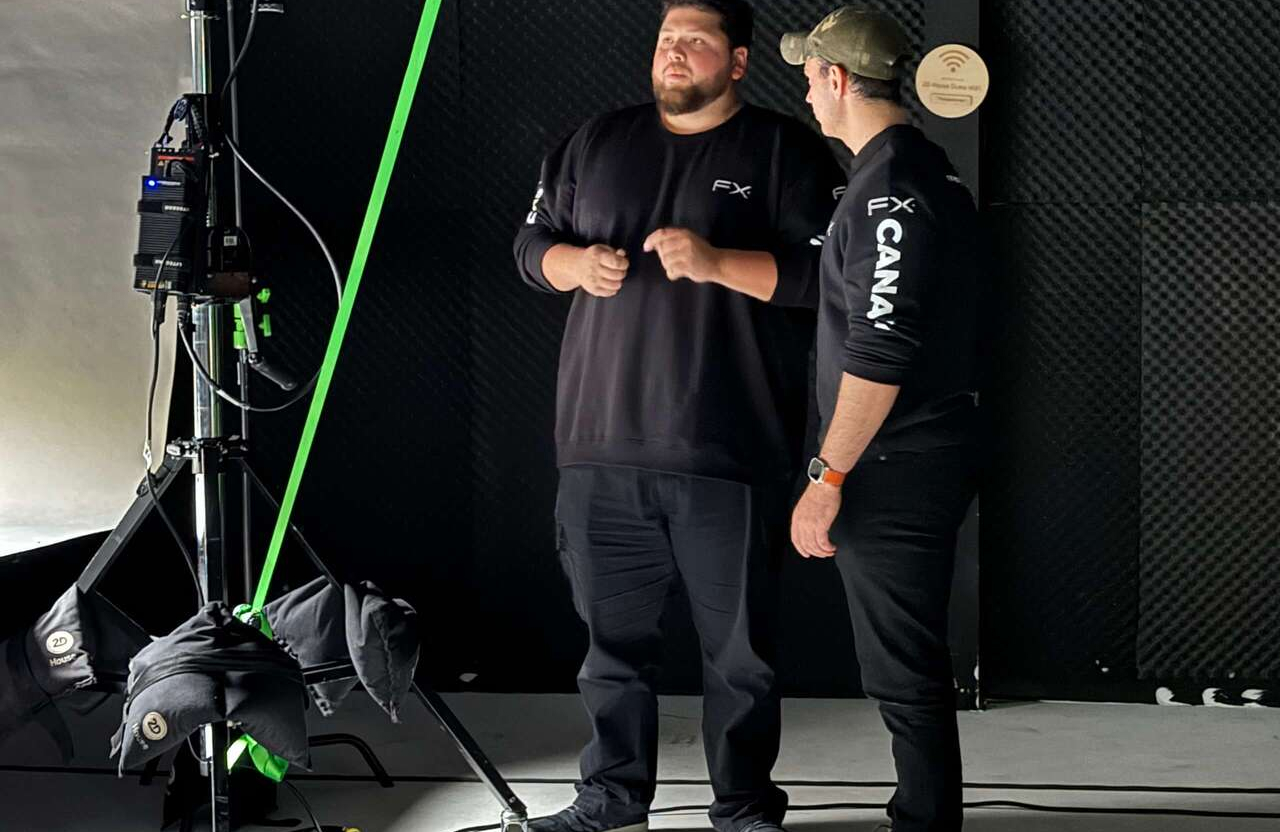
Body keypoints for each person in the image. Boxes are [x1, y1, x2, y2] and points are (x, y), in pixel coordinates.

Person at [512, 2, 844, 830]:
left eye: (695, 42)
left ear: (736, 62)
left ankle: (742, 809)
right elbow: (529, 247)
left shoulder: (782, 151)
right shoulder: (596, 141)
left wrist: (718, 262)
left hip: (729, 454)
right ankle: (611, 800)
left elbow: (828, 281)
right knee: (612, 655)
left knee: (739, 660)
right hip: (599, 449)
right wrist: (571, 263)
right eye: (666, 40)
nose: (674, 54)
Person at [782, 7, 984, 832]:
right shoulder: (910, 173)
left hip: (895, 466)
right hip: (918, 455)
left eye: (807, 76)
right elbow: (845, 296)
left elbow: (883, 346)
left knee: (903, 672)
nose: (804, 91)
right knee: (904, 665)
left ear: (836, 79)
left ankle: (925, 825)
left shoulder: (889, 189)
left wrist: (825, 478)